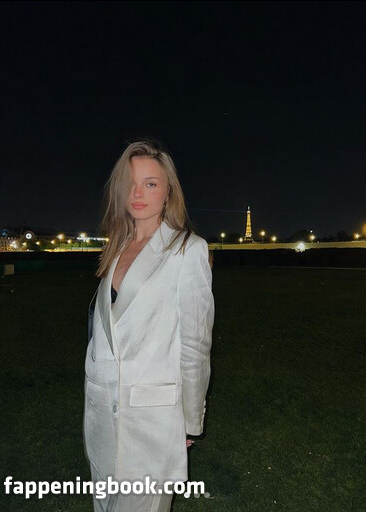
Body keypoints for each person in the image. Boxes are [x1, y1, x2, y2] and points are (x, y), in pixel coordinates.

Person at [83, 139, 215, 511]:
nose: (138, 193)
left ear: (168, 191)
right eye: (131, 183)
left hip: (152, 425)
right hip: (102, 420)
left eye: (151, 183)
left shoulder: (188, 249)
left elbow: (195, 344)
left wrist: (189, 421)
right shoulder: (118, 246)